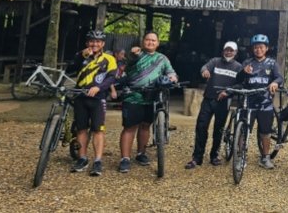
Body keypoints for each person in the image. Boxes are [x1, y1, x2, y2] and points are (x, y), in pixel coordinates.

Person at [118, 31, 178, 173]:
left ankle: (141, 153)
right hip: (133, 95)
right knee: (130, 127)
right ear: (143, 41)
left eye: (153, 40)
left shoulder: (162, 58)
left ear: (157, 43)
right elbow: (128, 61)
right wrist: (133, 53)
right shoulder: (136, 54)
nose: (150, 42)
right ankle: (125, 158)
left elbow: (171, 72)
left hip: (152, 96)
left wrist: (172, 78)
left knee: (145, 126)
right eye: (148, 40)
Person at [67, 30, 118, 176]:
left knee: (98, 129)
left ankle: (97, 161)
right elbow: (69, 69)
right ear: (87, 43)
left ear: (102, 44)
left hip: (98, 98)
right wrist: (82, 56)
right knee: (81, 129)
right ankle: (82, 158)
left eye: (97, 41)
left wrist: (99, 87)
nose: (94, 44)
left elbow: (112, 77)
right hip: (80, 96)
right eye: (91, 41)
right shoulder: (81, 55)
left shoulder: (109, 58)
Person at [185, 41, 242, 169]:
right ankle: (197, 157)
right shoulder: (215, 61)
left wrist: (227, 92)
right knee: (201, 126)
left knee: (219, 129)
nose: (228, 52)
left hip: (223, 101)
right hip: (209, 99)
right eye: (226, 50)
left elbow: (240, 84)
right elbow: (204, 67)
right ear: (223, 51)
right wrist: (204, 71)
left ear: (235, 52)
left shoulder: (238, 67)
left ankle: (214, 155)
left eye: (231, 50)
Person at [235, 34, 282, 169]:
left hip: (265, 101)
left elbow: (279, 78)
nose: (258, 50)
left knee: (265, 132)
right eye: (256, 47)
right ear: (253, 49)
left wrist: (274, 82)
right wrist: (243, 72)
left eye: (261, 47)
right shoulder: (247, 62)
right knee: (244, 130)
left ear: (266, 48)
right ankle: (241, 157)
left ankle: (265, 157)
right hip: (248, 101)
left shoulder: (272, 63)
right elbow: (238, 79)